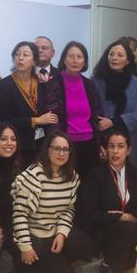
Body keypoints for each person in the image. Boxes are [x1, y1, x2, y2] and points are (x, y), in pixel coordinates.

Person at [11, 132, 94, 273]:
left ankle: (50, 262)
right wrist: (26, 247)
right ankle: (26, 272)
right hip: (35, 235)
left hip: (53, 231)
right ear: (47, 150)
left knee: (86, 247)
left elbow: (68, 209)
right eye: (56, 149)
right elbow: (19, 215)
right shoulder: (32, 177)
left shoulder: (71, 177)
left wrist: (61, 234)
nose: (61, 153)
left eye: (65, 149)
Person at [77, 130, 137, 273]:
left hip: (130, 228)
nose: (115, 151)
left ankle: (111, 263)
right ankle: (111, 268)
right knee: (127, 227)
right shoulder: (96, 174)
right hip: (103, 230)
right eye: (111, 146)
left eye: (120, 146)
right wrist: (118, 217)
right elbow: (88, 213)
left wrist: (132, 217)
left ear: (129, 151)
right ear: (106, 149)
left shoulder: (135, 174)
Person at [45, 41, 103, 177]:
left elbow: (97, 116)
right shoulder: (54, 83)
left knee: (88, 187)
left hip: (89, 144)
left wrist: (101, 142)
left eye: (79, 57)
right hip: (65, 145)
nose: (75, 60)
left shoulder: (89, 85)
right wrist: (57, 143)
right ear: (64, 59)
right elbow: (52, 116)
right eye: (71, 56)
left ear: (84, 61)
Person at [0, 41, 56, 164]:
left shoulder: (41, 82)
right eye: (17, 55)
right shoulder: (5, 84)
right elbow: (5, 120)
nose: (20, 58)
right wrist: (36, 120)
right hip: (17, 144)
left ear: (34, 61)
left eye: (25, 55)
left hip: (40, 143)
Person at [92, 39, 137, 166]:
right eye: (111, 54)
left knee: (129, 180)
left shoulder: (135, 83)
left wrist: (112, 122)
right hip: (102, 140)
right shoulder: (96, 82)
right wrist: (99, 141)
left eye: (120, 55)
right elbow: (90, 111)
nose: (114, 58)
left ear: (128, 60)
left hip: (129, 140)